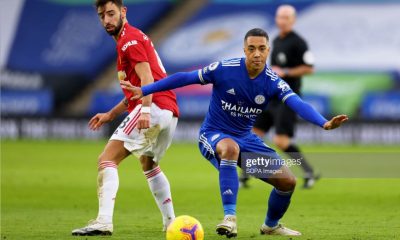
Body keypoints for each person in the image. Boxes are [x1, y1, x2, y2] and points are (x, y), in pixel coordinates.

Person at [122, 28, 348, 237]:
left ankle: (270, 226)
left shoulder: (272, 82)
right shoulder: (224, 69)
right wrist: (144, 89)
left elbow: (298, 104)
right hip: (213, 135)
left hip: (246, 141)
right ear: (244, 50)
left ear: (268, 50)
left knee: (287, 182)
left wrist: (324, 123)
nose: (257, 54)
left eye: (261, 48)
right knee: (230, 148)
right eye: (251, 49)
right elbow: (184, 78)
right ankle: (230, 218)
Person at [72, 0, 179, 236]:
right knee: (148, 163)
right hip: (169, 113)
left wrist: (145, 110)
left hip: (154, 107)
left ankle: (103, 221)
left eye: (111, 13)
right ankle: (171, 223)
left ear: (123, 11)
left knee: (106, 159)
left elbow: (147, 78)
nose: (107, 20)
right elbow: (136, 89)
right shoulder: (131, 39)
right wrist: (111, 113)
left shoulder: (129, 40)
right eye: (102, 16)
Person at [249, 5, 318, 189]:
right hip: (271, 97)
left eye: (286, 17)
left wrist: (286, 71)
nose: (282, 20)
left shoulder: (298, 42)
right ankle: (247, 174)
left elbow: (310, 68)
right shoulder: (276, 41)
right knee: (253, 135)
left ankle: (308, 171)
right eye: (280, 17)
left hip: (288, 98)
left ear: (293, 20)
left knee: (281, 141)